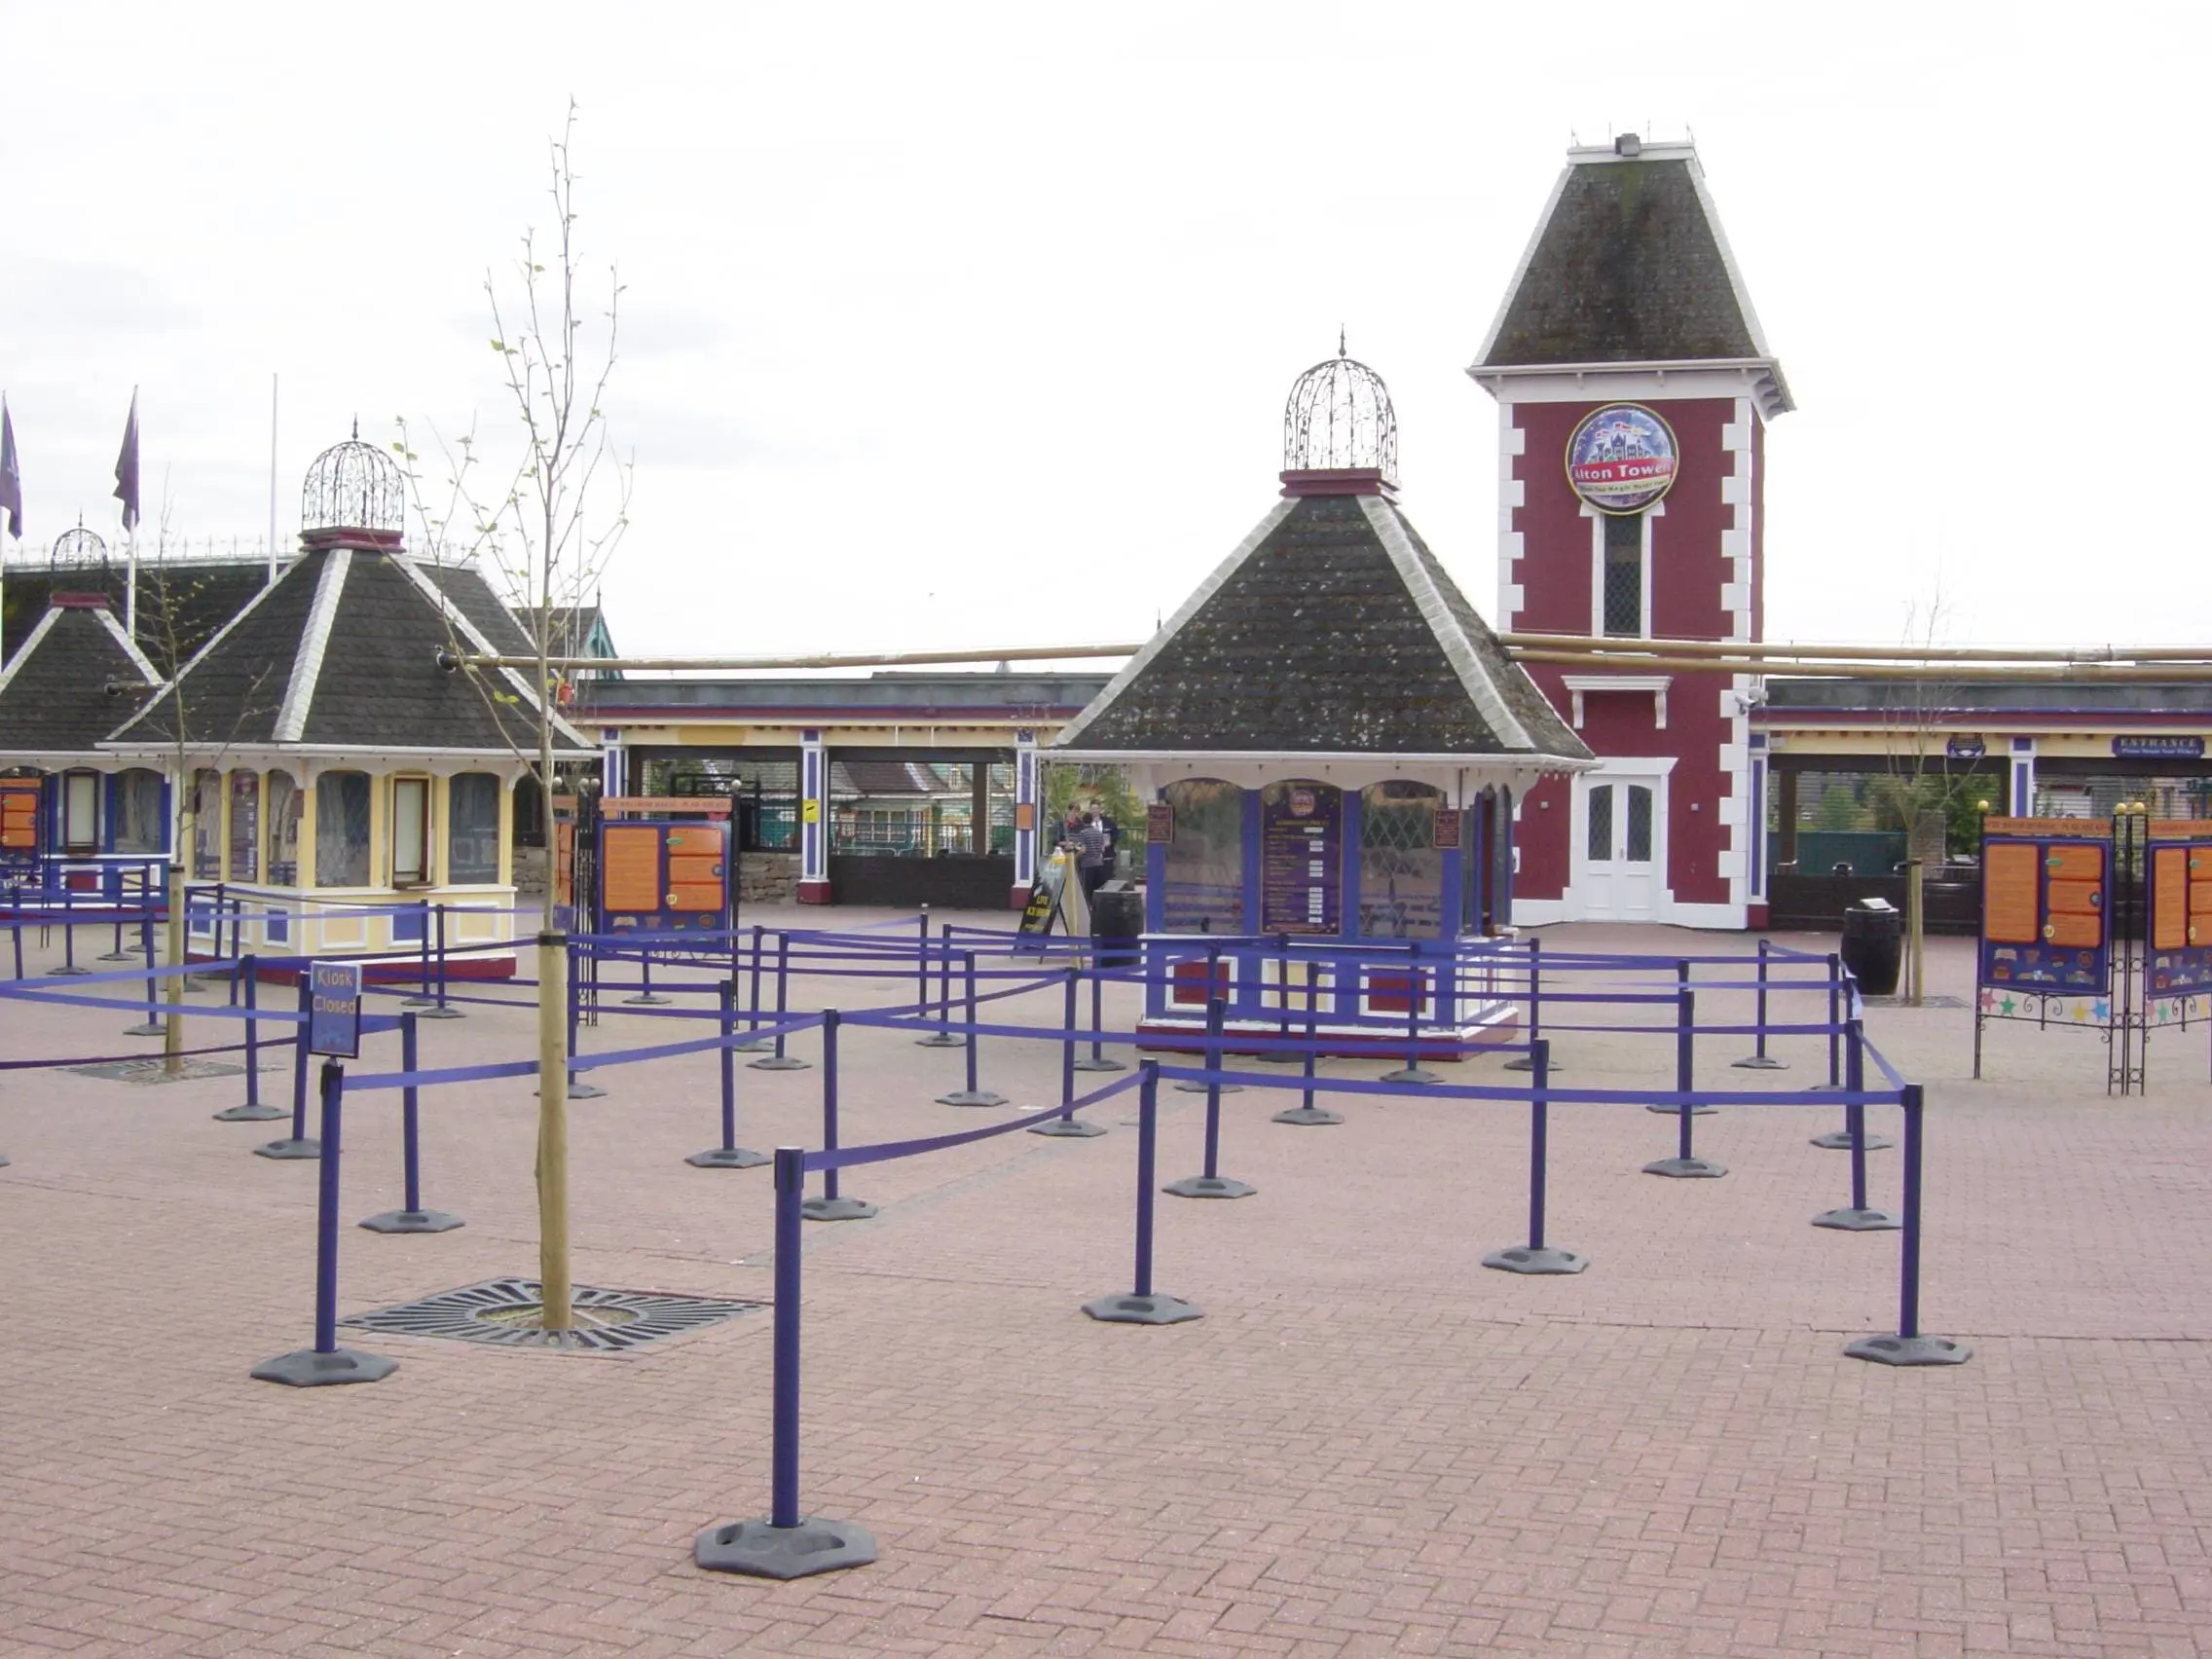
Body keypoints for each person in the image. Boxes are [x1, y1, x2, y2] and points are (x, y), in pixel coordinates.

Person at [1075, 812, 1110, 904]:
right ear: (1092, 821)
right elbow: (1102, 849)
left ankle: (1088, 908)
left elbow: (1083, 849)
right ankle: (1097, 908)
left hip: (1087, 865)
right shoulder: (1098, 832)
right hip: (1099, 864)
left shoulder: (1083, 833)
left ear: (1083, 821)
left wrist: (1075, 857)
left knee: (1087, 890)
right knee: (1097, 890)